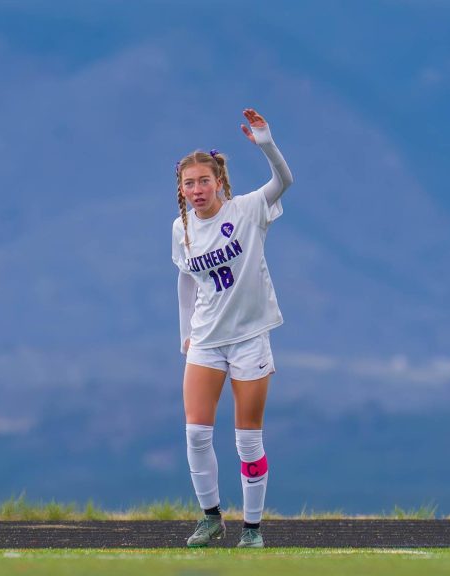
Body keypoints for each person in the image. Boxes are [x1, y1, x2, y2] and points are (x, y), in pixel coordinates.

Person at [171, 108, 293, 548]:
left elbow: (284, 183)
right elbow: (186, 278)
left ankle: (253, 529)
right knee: (196, 433)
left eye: (204, 181)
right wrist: (186, 332)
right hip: (206, 340)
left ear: (219, 182)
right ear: (181, 191)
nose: (197, 190)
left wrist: (266, 143)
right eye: (189, 184)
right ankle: (210, 518)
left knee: (247, 438)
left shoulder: (247, 210)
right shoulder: (180, 230)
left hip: (249, 339)